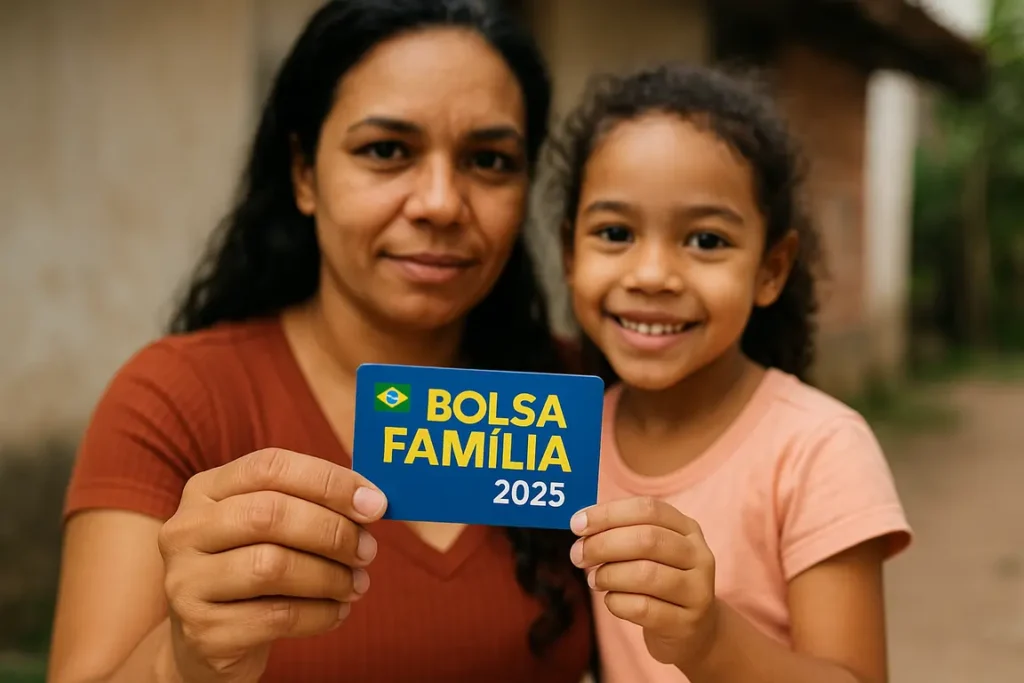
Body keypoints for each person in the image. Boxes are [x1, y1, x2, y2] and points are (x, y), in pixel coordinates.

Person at [46, 2, 595, 682]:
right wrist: (183, 657)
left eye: (490, 160)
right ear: (304, 173)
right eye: (387, 151)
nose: (441, 202)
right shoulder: (175, 399)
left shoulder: (588, 397)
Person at [548, 64, 913, 683]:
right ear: (568, 254)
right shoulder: (569, 430)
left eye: (706, 241)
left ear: (771, 270)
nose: (653, 274)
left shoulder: (817, 451)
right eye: (615, 233)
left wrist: (709, 638)